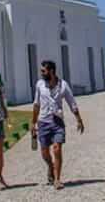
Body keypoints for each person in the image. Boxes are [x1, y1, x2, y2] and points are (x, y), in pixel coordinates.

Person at [31, 60, 85, 190]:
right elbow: (36, 104)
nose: (41, 73)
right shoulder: (39, 85)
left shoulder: (63, 85)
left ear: (52, 71)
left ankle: (57, 179)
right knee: (44, 153)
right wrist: (33, 122)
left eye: (44, 71)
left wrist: (79, 119)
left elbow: (72, 102)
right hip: (43, 122)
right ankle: (50, 166)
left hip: (57, 122)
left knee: (57, 149)